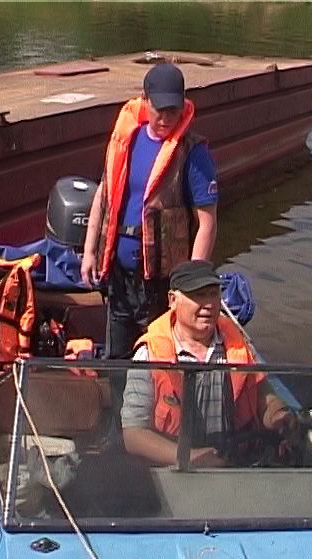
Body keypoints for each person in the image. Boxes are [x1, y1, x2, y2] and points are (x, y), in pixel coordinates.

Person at [80, 63, 219, 423]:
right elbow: (104, 195)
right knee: (117, 358)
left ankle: (163, 429)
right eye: (160, 109)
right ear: (145, 102)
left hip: (162, 284)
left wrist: (191, 285)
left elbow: (207, 221)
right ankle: (118, 430)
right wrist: (90, 250)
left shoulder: (193, 153)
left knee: (161, 361)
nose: (167, 117)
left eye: (174, 109)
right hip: (120, 278)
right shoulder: (127, 139)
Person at [121, 260, 299, 467]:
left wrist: (278, 414)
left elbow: (263, 396)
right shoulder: (148, 354)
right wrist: (190, 457)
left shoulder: (239, 346)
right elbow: (133, 436)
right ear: (172, 300)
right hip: (175, 470)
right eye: (198, 295)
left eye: (213, 294)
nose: (208, 304)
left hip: (235, 462)